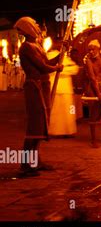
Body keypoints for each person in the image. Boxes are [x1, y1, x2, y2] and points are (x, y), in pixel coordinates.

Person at [14, 17, 63, 177]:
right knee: (34, 126)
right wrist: (56, 67)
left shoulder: (37, 46)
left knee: (41, 125)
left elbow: (47, 62)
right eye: (34, 24)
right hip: (34, 87)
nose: (37, 26)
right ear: (28, 28)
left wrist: (62, 54)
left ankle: (36, 161)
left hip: (43, 87)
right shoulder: (26, 47)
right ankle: (26, 164)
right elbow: (42, 67)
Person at [48, 44, 79, 137]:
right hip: (55, 89)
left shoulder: (65, 58)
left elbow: (75, 69)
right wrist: (59, 70)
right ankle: (53, 131)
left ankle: (68, 131)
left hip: (67, 90)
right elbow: (50, 70)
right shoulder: (49, 56)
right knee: (55, 112)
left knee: (69, 111)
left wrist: (61, 70)